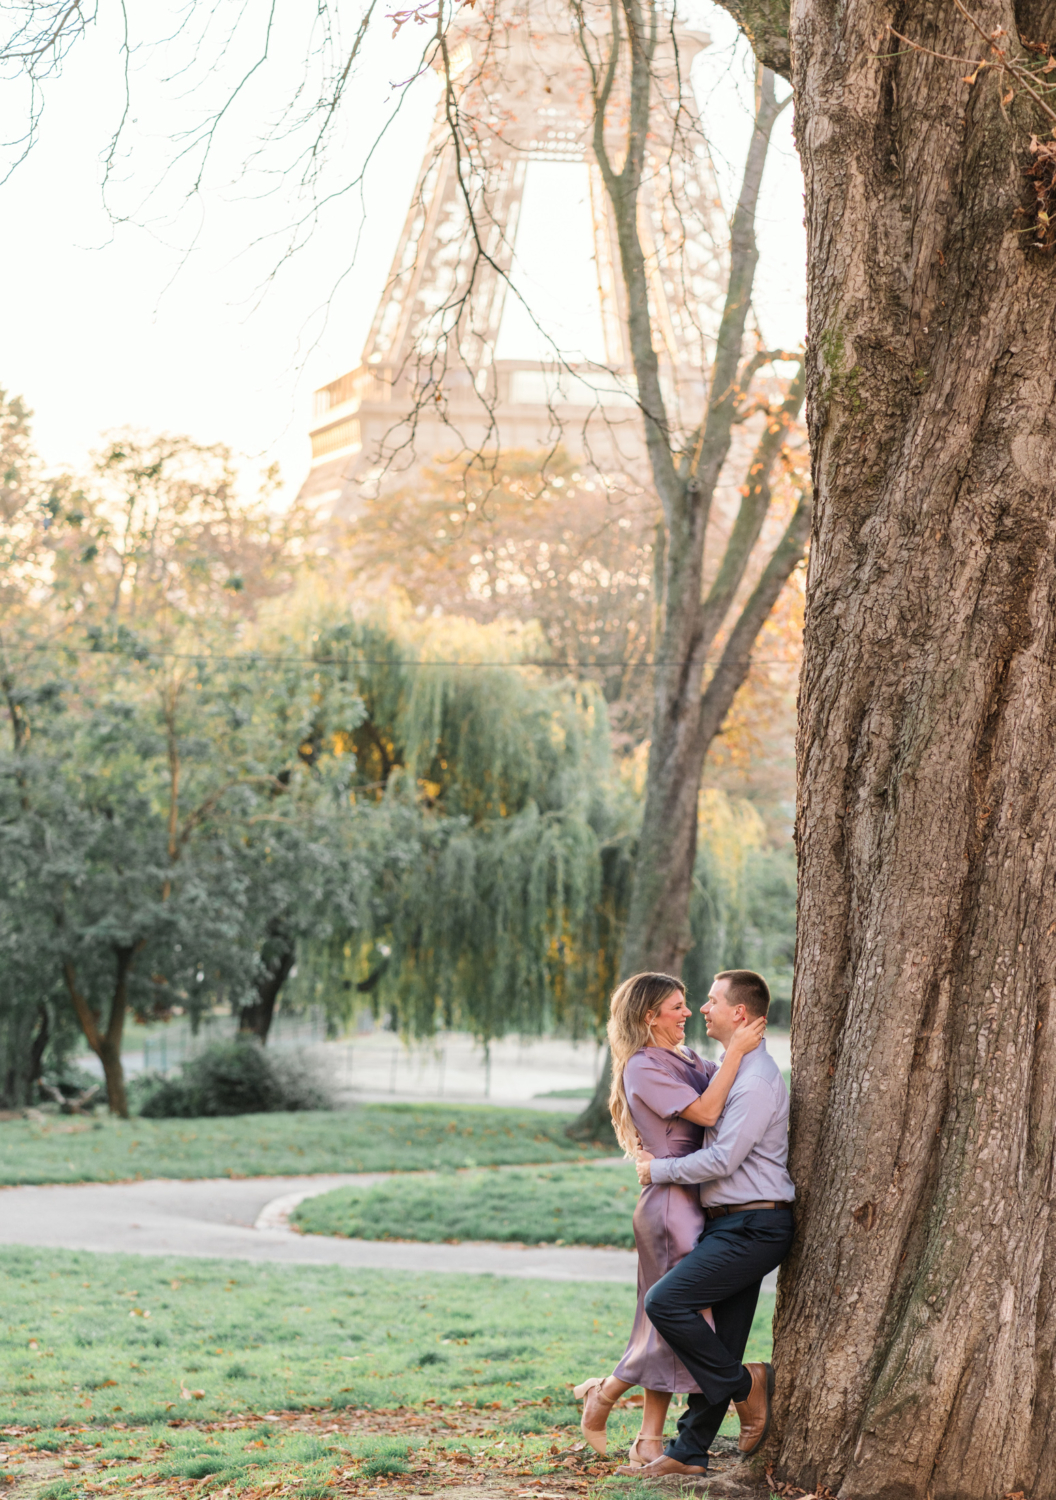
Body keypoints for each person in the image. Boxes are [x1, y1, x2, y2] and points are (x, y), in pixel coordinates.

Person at [572, 971, 765, 1464]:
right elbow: (704, 1113)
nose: (688, 1013)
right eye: (677, 1006)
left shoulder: (686, 1057)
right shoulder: (642, 1066)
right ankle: (608, 1396)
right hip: (670, 1206)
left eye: (689, 1003)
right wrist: (739, 1052)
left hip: (693, 1198)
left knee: (671, 1319)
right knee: (672, 1317)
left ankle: (647, 1438)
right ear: (647, 1015)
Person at [618, 968, 795, 1480]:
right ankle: (690, 1450)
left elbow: (721, 1161)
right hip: (729, 1224)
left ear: (739, 1014)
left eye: (711, 1000)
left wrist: (657, 1170)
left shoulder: (757, 1080)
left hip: (757, 1226)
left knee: (665, 1303)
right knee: (723, 1342)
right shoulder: (727, 1068)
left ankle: (745, 1385)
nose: (701, 1010)